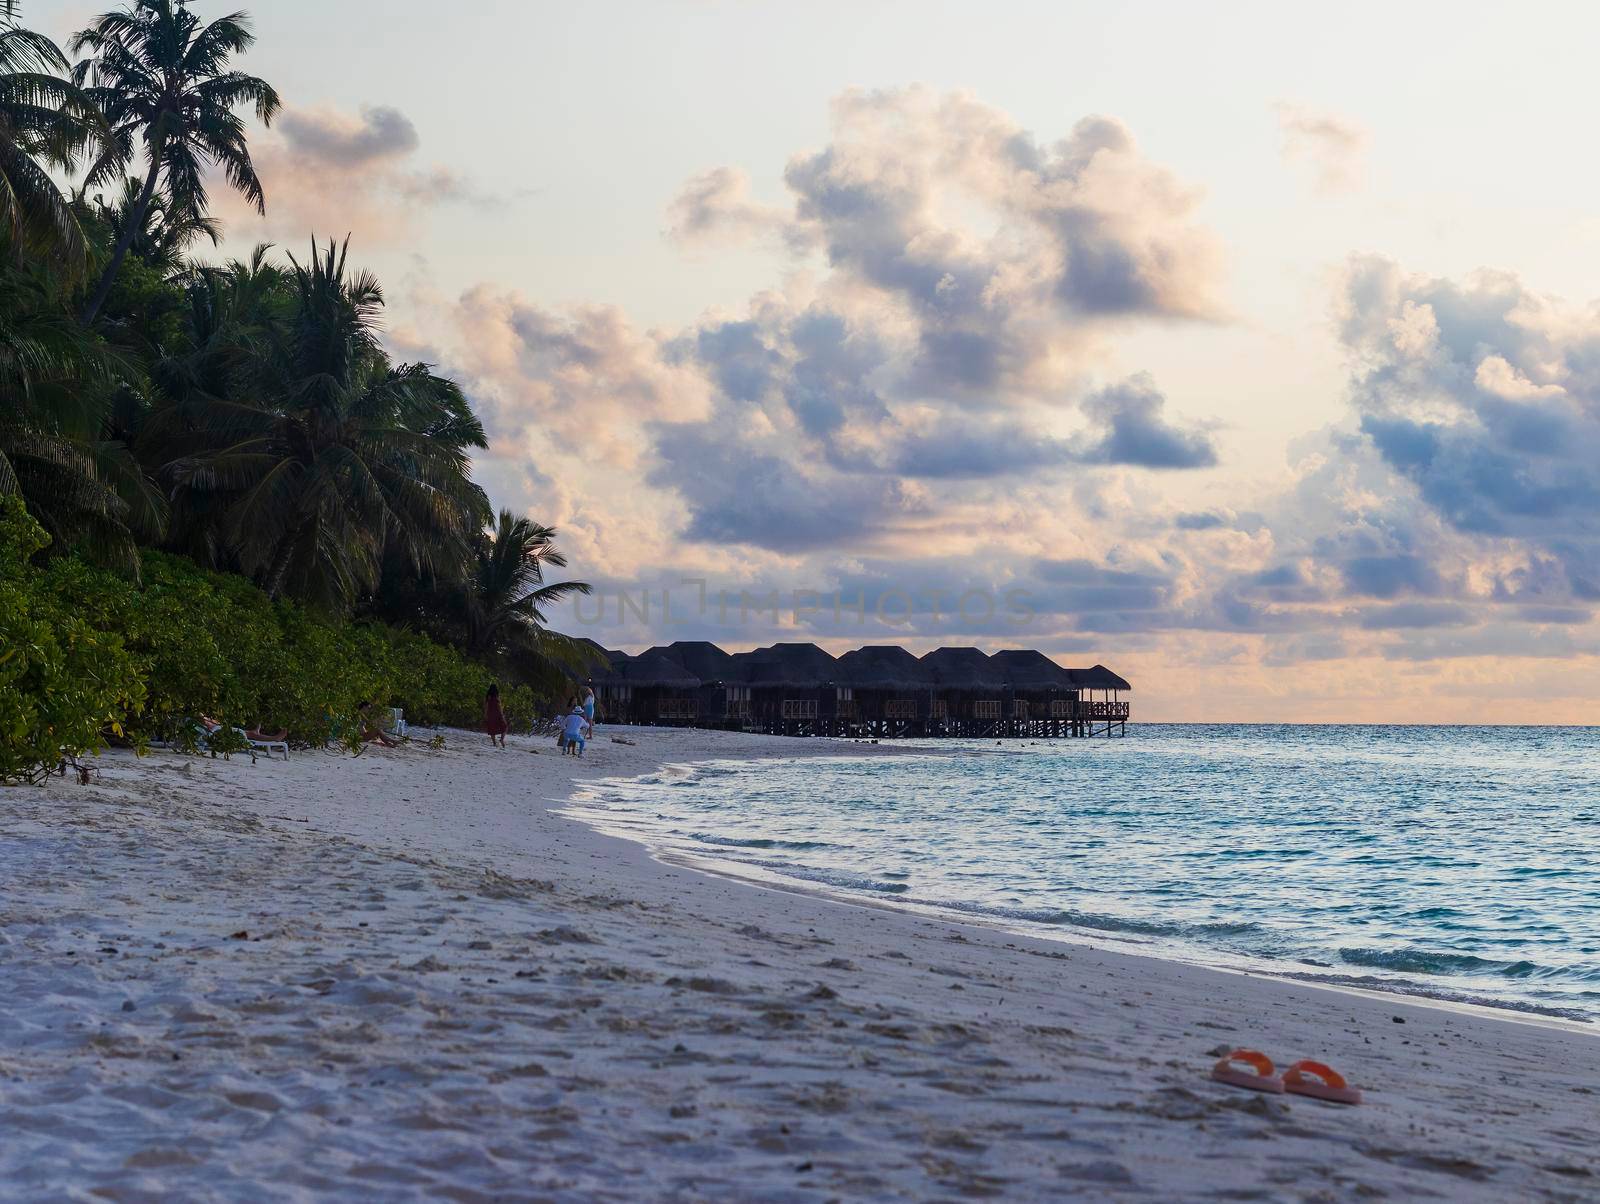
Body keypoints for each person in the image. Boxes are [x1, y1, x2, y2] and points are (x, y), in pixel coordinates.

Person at [484, 683, 508, 748]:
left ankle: (494, 743)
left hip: (490, 714)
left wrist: (485, 714)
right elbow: (499, 706)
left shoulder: (488, 697)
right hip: (497, 714)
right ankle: (501, 739)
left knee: (492, 729)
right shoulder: (497, 696)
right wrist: (502, 714)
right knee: (505, 726)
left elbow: (486, 706)